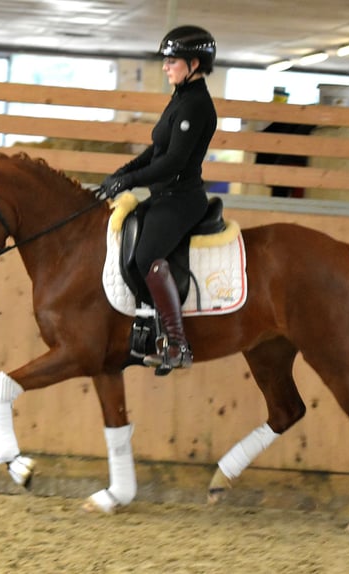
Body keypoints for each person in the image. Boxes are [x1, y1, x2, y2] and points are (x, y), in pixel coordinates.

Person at [100, 25, 217, 370]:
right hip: (164, 194)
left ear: (194, 63)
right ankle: (146, 317)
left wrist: (131, 180)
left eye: (172, 61)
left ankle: (178, 344)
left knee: (148, 253)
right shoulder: (180, 97)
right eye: (166, 61)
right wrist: (123, 174)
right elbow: (157, 148)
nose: (165, 66)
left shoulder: (197, 105)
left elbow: (174, 161)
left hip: (182, 198)